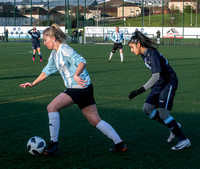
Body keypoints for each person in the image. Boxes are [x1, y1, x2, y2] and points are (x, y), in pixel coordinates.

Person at [19, 23, 127, 155]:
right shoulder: (54, 54)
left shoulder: (64, 49)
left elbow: (82, 61)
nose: (44, 42)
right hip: (84, 87)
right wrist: (33, 83)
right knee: (95, 120)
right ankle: (120, 144)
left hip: (78, 87)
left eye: (45, 40)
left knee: (51, 107)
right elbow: (47, 70)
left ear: (53, 38)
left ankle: (53, 143)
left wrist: (76, 75)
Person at [128, 31, 191, 150]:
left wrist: (139, 91)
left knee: (163, 112)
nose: (131, 50)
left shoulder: (151, 54)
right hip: (159, 84)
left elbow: (156, 76)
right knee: (147, 109)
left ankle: (184, 140)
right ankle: (173, 125)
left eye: (132, 47)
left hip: (168, 82)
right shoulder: (144, 54)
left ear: (139, 44)